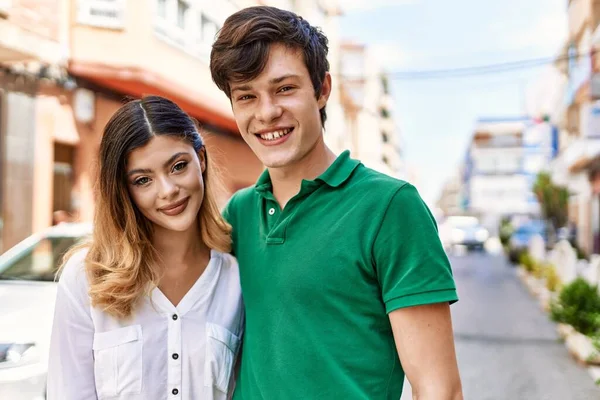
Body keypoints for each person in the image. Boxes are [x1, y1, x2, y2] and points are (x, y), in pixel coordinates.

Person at [210, 6, 462, 400]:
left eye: (284, 88)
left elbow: (438, 388)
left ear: (322, 89)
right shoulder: (237, 215)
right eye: (246, 96)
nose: (267, 112)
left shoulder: (391, 207)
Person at [46, 96, 243, 400]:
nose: (167, 191)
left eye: (178, 166)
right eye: (143, 180)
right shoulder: (86, 278)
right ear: (124, 189)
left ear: (200, 159)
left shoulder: (236, 279)